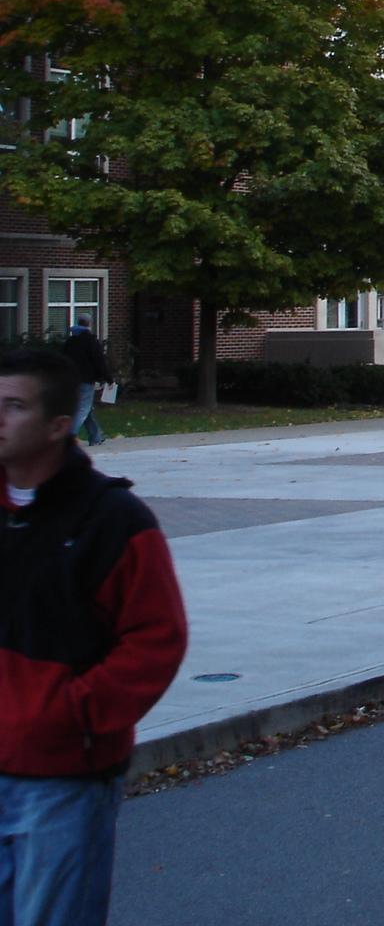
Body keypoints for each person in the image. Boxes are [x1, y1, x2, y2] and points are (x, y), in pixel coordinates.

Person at [0, 347, 188, 923]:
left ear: (59, 425)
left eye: (13, 407)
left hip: (61, 780)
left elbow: (157, 638)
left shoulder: (111, 520)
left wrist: (71, 716)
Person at [58, 321, 110, 447]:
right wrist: (108, 378)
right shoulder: (90, 341)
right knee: (83, 409)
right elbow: (99, 361)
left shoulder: (70, 341)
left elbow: (61, 359)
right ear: (89, 324)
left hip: (70, 379)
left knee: (87, 409)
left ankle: (96, 436)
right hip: (86, 380)